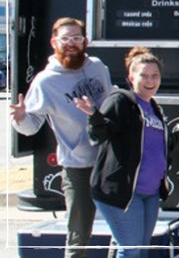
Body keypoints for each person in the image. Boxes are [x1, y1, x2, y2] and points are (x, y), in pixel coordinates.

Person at [10, 17, 113, 258]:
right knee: (79, 235)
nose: (71, 44)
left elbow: (110, 106)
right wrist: (20, 117)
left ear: (85, 41)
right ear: (54, 42)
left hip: (108, 160)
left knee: (122, 227)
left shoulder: (98, 67)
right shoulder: (46, 82)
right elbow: (31, 127)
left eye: (76, 38)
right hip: (78, 166)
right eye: (65, 39)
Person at [74, 46, 169, 258]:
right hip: (123, 193)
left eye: (155, 76)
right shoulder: (121, 101)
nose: (150, 80)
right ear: (131, 77)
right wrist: (93, 116)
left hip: (150, 193)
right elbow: (100, 134)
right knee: (131, 250)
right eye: (143, 75)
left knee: (141, 250)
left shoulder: (154, 108)